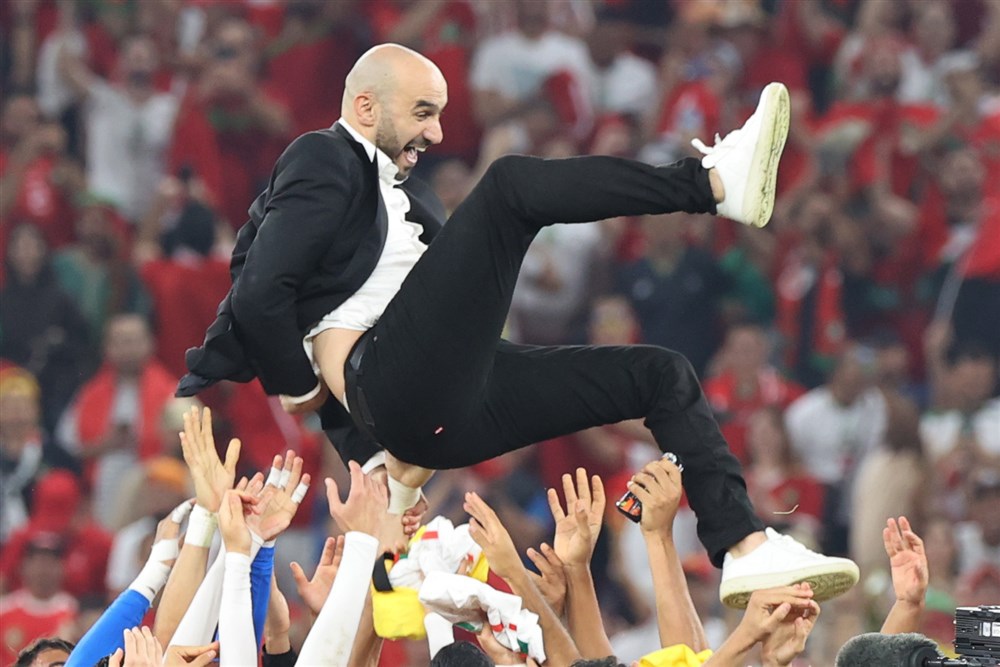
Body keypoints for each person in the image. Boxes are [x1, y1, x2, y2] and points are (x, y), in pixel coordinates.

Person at [178, 43, 859, 608]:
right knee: (507, 188)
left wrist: (388, 468)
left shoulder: (406, 191)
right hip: (389, 383)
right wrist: (302, 391)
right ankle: (709, 184)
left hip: (450, 401)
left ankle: (742, 546)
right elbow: (263, 290)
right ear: (364, 107)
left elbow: (426, 315)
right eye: (422, 112)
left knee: (661, 373)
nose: (437, 133)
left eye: (440, 115)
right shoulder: (321, 156)